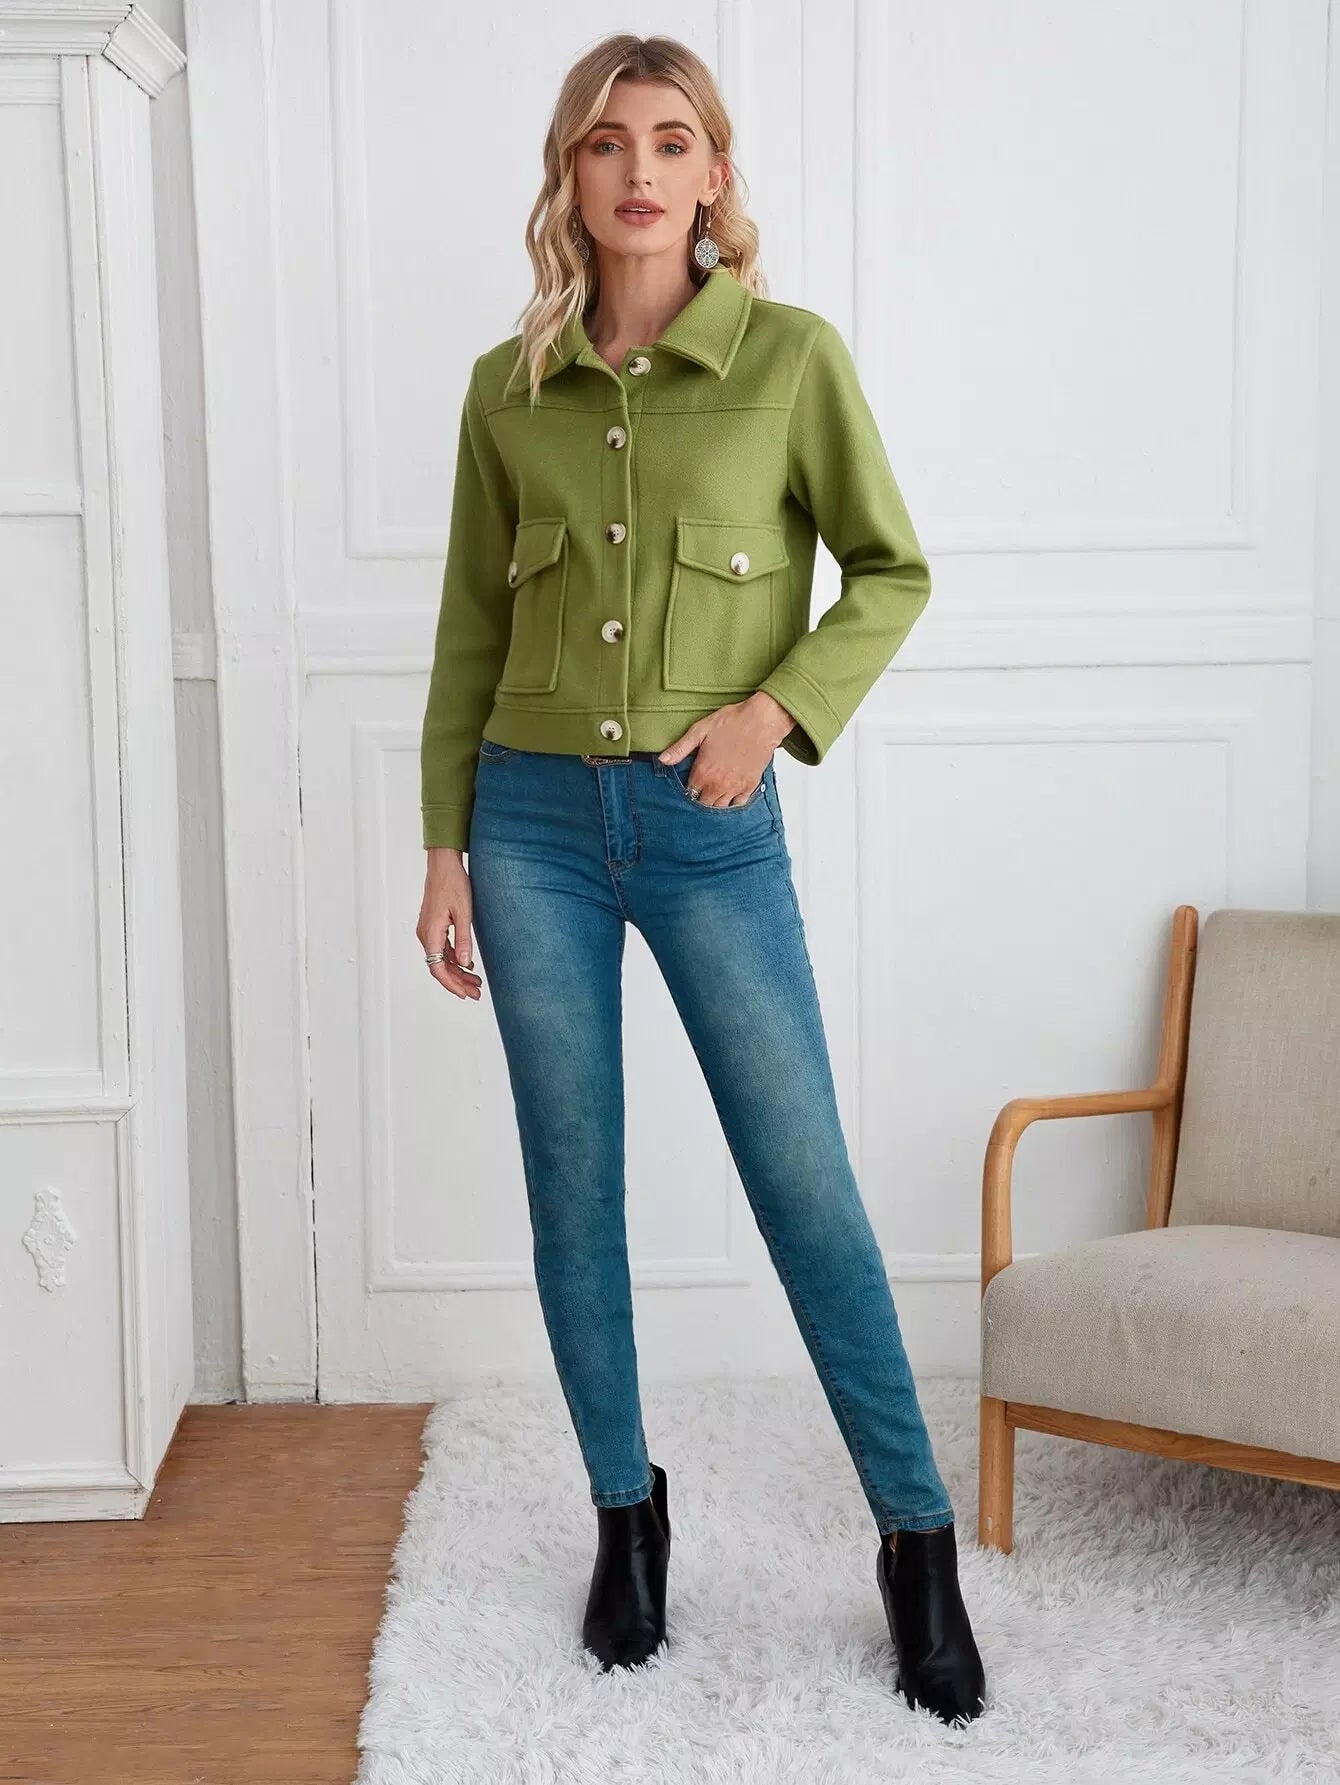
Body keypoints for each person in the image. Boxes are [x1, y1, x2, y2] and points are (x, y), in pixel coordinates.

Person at [416, 31, 986, 1727]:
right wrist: (444, 844)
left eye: (673, 142)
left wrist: (770, 712)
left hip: (708, 823)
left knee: (804, 1183)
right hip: (527, 826)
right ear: (571, 177)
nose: (642, 172)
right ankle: (626, 1514)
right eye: (608, 144)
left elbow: (891, 572)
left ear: (715, 174)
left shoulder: (791, 361)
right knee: (570, 1182)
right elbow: (466, 632)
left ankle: (917, 1539)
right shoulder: (504, 387)